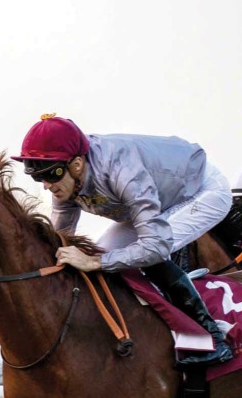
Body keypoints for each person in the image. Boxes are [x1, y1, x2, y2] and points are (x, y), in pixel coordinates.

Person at [12, 114, 234, 367]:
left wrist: (96, 261)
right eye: (37, 177)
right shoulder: (64, 182)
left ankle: (213, 340)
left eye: (50, 174)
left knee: (146, 253)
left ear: (75, 165)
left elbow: (155, 246)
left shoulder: (122, 171)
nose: (45, 186)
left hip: (202, 191)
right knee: (104, 253)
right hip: (160, 195)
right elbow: (60, 240)